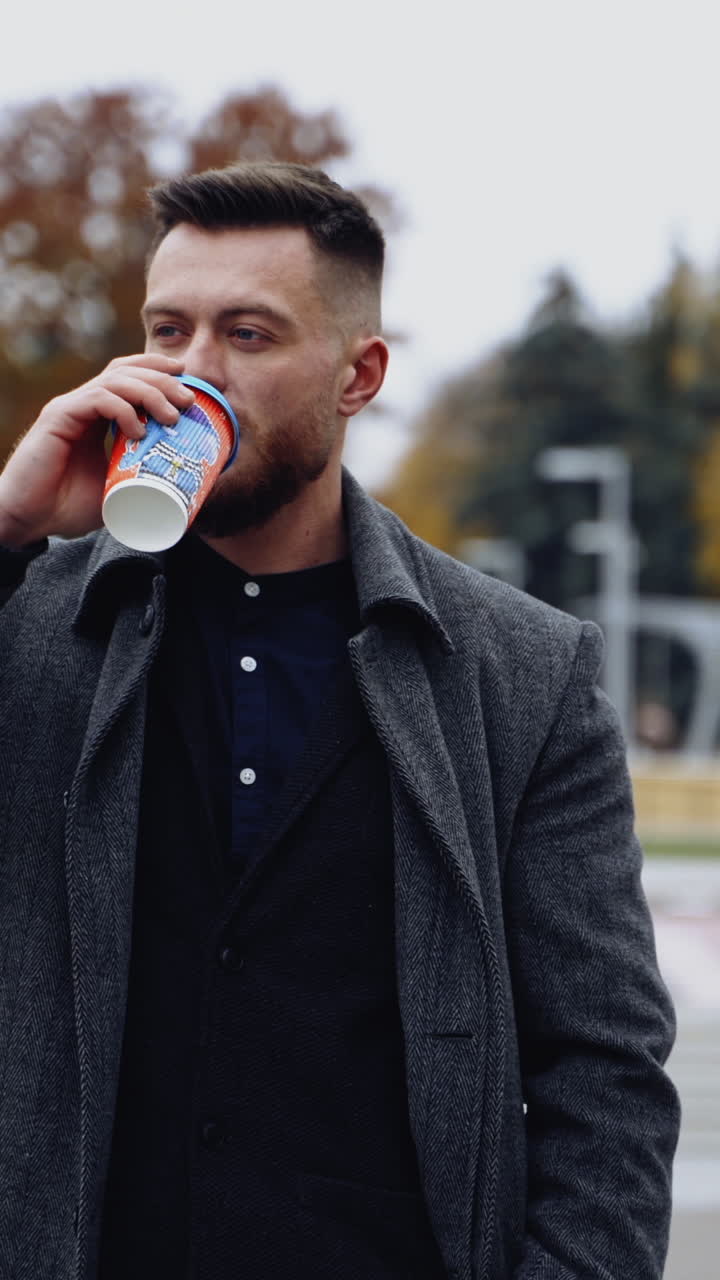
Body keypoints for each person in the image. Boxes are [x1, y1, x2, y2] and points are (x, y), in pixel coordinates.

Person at [0, 162, 679, 1280]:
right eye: (168, 330)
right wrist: (12, 530)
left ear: (358, 374)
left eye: (249, 335)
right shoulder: (35, 617)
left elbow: (602, 1067)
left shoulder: (520, 670)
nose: (193, 373)